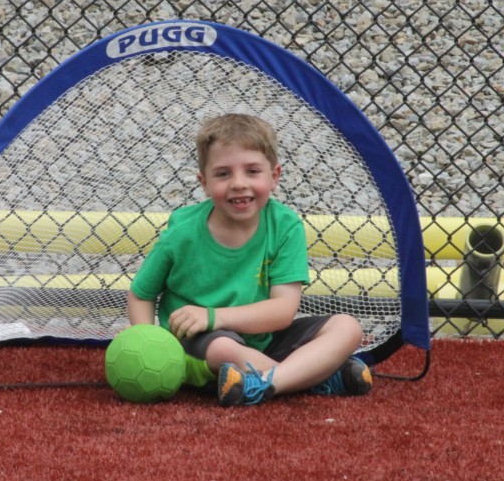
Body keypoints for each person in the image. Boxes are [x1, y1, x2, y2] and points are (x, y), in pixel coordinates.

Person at [127, 113, 372, 406]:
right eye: (223, 173)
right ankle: (312, 377)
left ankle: (266, 383)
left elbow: (283, 311)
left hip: (264, 339)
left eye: (252, 171)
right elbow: (141, 293)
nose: (238, 183)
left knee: (347, 327)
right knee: (223, 349)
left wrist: (214, 314)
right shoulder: (182, 233)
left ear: (274, 177)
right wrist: (147, 345)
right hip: (200, 340)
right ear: (204, 183)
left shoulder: (285, 226)